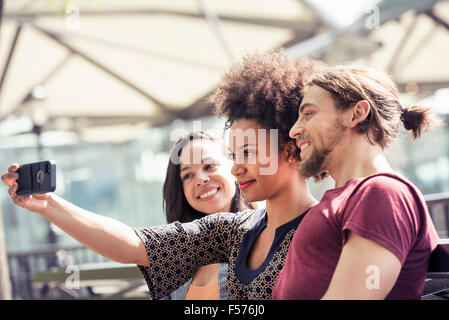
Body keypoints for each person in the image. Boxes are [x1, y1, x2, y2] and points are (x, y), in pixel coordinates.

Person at [2, 49, 318, 300]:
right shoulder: (233, 229)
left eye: (248, 152)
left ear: (292, 147)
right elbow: (130, 244)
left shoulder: (327, 224)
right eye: (234, 155)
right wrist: (47, 205)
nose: (236, 168)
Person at [272, 64, 441, 300]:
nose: (294, 130)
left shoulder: (383, 193)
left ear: (357, 114)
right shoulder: (352, 197)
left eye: (308, 113)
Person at [159, 130, 254, 300]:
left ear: (233, 167)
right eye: (187, 175)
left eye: (209, 166)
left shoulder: (263, 236)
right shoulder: (175, 257)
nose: (201, 179)